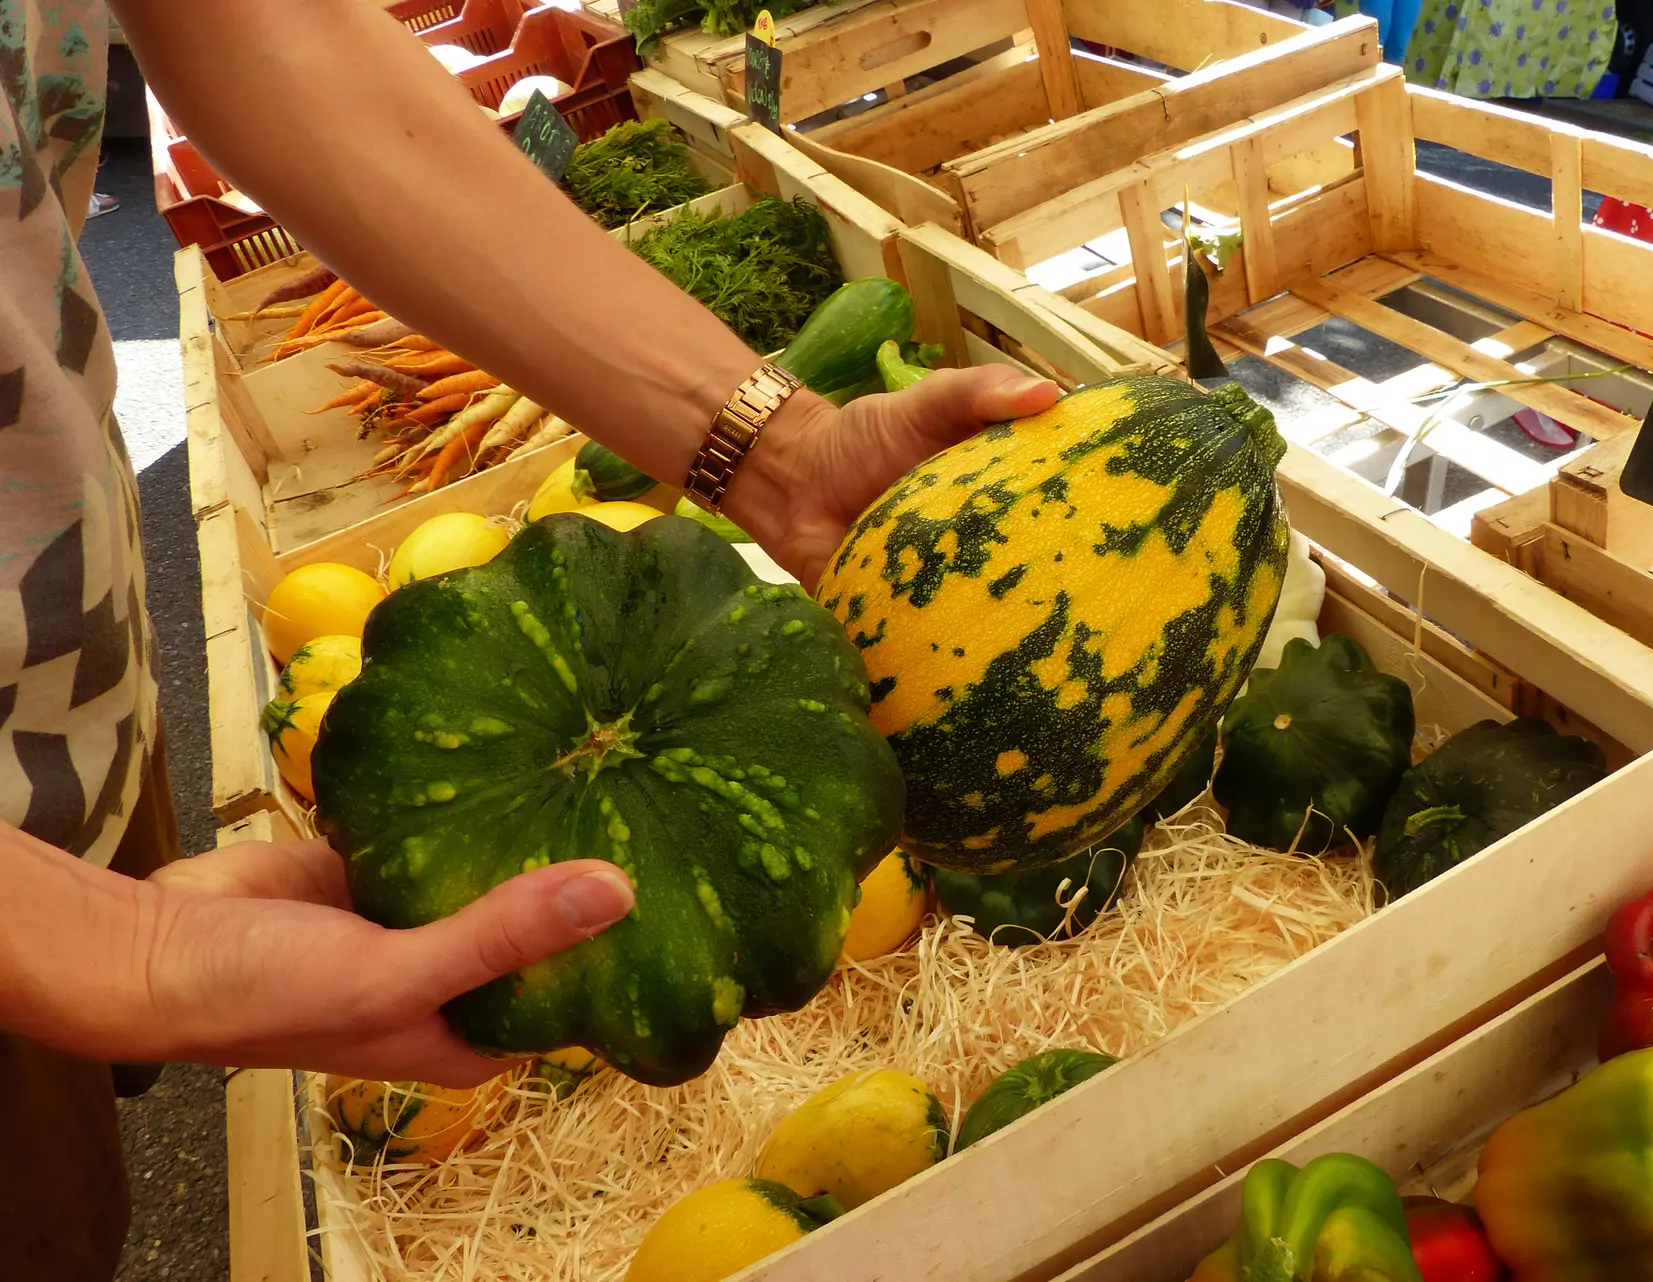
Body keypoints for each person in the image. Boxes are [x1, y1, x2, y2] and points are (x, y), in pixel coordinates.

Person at [0, 1, 1061, 1276]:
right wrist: (106, 945)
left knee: (75, 1186)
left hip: (68, 663)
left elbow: (258, 30)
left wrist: (777, 459)